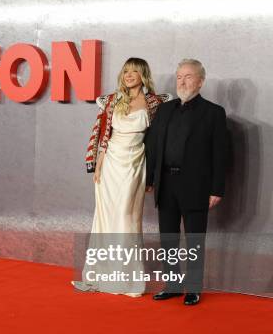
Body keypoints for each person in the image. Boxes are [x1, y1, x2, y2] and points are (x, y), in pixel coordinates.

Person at [73, 57, 171, 297]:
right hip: (110, 166)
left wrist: (153, 177)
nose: (128, 75)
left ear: (143, 75)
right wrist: (98, 165)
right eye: (125, 71)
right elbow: (104, 135)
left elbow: (157, 140)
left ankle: (128, 281)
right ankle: (99, 276)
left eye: (134, 71)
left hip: (135, 163)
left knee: (127, 218)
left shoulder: (154, 103)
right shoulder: (111, 100)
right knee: (104, 219)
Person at [146, 58, 229, 306]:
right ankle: (172, 284)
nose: (182, 81)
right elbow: (153, 147)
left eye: (189, 76)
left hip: (197, 186)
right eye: (179, 76)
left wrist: (217, 189)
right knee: (168, 238)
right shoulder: (164, 109)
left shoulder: (214, 113)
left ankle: (193, 288)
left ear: (201, 81)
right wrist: (150, 179)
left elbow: (220, 154)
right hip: (166, 183)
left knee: (194, 239)